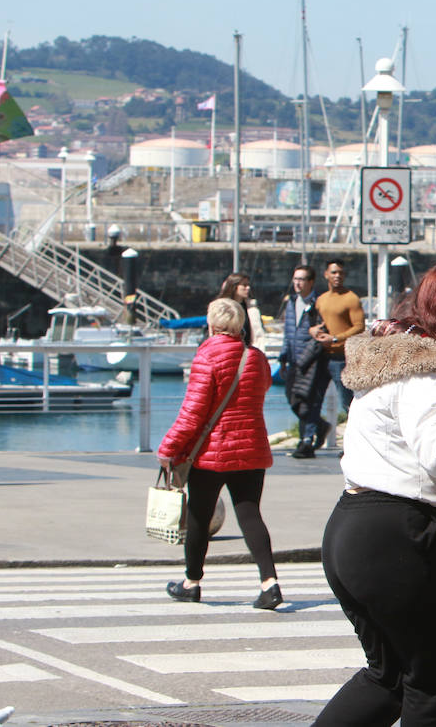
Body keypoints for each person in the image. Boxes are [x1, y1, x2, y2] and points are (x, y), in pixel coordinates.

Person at [315, 264, 436, 727]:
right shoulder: (426, 374)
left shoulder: (390, 366)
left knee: (388, 677)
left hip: (352, 526)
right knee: (433, 682)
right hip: (397, 535)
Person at [157, 298, 280, 609]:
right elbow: (261, 390)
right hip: (251, 448)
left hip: (213, 452)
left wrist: (168, 448)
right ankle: (270, 583)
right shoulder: (256, 358)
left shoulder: (207, 356)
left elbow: (193, 412)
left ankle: (192, 582)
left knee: (199, 517)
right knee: (250, 514)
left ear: (211, 325)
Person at [279, 265, 330, 459]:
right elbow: (287, 331)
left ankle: (307, 439)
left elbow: (320, 331)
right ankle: (319, 425)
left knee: (309, 400)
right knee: (292, 398)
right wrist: (283, 357)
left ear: (310, 282)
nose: (297, 283)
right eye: (295, 279)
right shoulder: (291, 302)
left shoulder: (318, 303)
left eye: (301, 279)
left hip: (312, 360)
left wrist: (308, 355)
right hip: (292, 359)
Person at [313, 259, 366, 417]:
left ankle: (355, 433)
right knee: (314, 399)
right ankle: (312, 435)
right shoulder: (321, 299)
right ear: (326, 274)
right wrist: (314, 331)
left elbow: (359, 326)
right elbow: (316, 322)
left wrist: (335, 338)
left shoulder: (351, 298)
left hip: (342, 358)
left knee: (347, 402)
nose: (337, 276)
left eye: (341, 273)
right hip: (321, 356)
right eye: (334, 272)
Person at [218, 271, 265, 350]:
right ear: (234, 286)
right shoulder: (222, 308)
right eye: (244, 285)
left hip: (248, 353)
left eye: (248, 285)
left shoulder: (252, 308)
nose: (248, 288)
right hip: (228, 352)